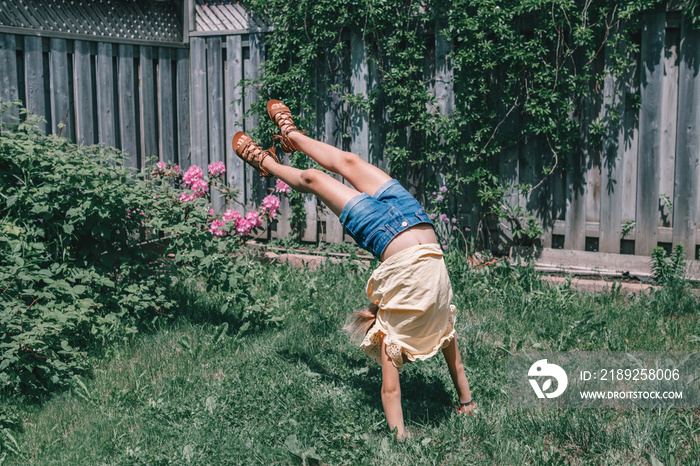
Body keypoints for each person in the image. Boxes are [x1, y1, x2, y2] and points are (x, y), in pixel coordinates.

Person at [232, 100, 476, 440]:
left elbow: (390, 394)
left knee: (313, 179)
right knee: (350, 162)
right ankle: (291, 135)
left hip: (383, 232)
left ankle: (266, 162)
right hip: (416, 215)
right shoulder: (442, 323)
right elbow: (456, 363)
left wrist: (401, 441)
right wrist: (466, 401)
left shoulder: (394, 336)